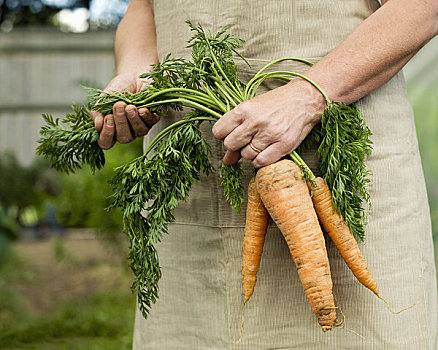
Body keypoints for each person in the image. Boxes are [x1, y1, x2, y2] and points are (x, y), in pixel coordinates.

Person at [91, 0, 438, 348]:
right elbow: (143, 7)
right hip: (188, 186)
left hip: (337, 167)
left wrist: (309, 95)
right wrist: (138, 67)